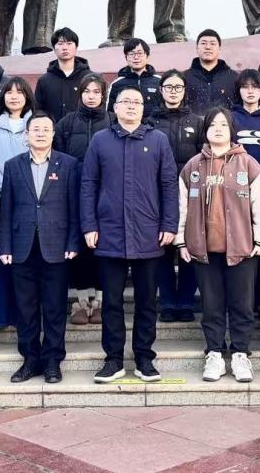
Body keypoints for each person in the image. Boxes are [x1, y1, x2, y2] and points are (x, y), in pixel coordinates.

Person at [80, 87, 178, 383]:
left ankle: (145, 358)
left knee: (147, 301)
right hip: (109, 232)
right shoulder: (100, 140)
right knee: (111, 301)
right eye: (126, 101)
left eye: (137, 102)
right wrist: (89, 225)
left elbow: (169, 185)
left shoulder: (158, 140)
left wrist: (169, 224)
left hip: (149, 232)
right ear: (115, 107)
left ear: (144, 107)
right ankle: (113, 360)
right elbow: (88, 184)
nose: (132, 106)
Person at [176, 107, 260, 382]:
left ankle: (241, 354)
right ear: (205, 130)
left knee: (242, 305)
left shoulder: (248, 164)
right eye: (212, 125)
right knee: (211, 306)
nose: (217, 129)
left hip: (242, 248)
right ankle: (215, 354)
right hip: (204, 250)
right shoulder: (193, 166)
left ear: (231, 130)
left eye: (223, 124)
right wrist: (181, 241)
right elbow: (181, 207)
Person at [0, 112, 81, 384]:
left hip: (56, 247)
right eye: (36, 129)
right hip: (22, 247)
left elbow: (74, 207)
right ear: (27, 135)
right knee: (25, 308)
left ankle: (53, 360)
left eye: (47, 129)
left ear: (53, 134)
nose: (41, 133)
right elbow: (6, 209)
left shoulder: (68, 164)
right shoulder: (13, 166)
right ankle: (30, 359)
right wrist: (5, 246)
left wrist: (73, 242)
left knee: (55, 307)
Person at [54, 73, 112, 325]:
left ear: (103, 95)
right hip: (74, 193)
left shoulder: (112, 121)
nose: (91, 96)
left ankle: (99, 300)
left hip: (107, 194)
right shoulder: (66, 123)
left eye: (96, 92)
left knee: (102, 247)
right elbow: (58, 157)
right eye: (87, 91)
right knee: (79, 246)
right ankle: (80, 301)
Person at [149, 70, 204, 322]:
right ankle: (168, 302)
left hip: (190, 195)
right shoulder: (149, 122)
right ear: (161, 90)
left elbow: (203, 158)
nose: (173, 91)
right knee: (162, 249)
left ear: (184, 91)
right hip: (158, 195)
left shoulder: (197, 121)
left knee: (188, 248)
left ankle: (186, 302)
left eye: (178, 87)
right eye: (169, 87)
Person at [0, 77, 34, 330]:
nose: (14, 96)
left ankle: (25, 314)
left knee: (27, 257)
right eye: (9, 92)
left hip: (32, 197)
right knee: (4, 255)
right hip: (2, 195)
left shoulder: (36, 123)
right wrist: (6, 184)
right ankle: (2, 315)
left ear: (27, 96)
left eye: (19, 92)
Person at [33, 27, 93, 122]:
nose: (65, 48)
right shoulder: (44, 80)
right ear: (54, 48)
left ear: (76, 47)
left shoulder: (89, 77)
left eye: (69, 43)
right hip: (53, 129)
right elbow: (38, 110)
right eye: (60, 44)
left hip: (82, 129)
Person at [185, 29, 238, 114]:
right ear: (196, 48)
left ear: (219, 48)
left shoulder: (234, 78)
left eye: (213, 44)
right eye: (203, 43)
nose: (208, 47)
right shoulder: (184, 78)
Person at [106, 38, 161, 112]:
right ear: (126, 57)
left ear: (147, 56)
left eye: (140, 53)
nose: (136, 57)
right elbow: (110, 113)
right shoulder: (117, 84)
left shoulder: (159, 82)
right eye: (131, 54)